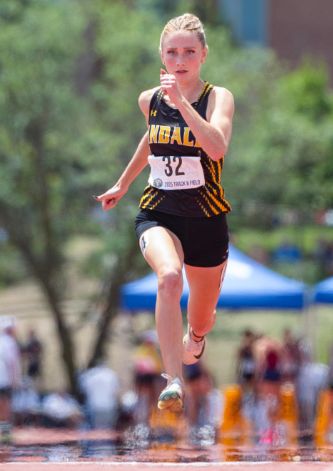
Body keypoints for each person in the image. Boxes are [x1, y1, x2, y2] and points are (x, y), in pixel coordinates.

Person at [95, 13, 234, 414]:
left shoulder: (218, 98)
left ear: (204, 54)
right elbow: (152, 137)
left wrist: (182, 104)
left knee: (202, 320)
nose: (180, 60)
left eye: (189, 52)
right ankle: (173, 379)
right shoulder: (150, 100)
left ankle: (196, 337)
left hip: (207, 220)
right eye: (172, 52)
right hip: (160, 210)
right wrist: (123, 183)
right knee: (169, 278)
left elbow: (216, 148)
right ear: (162, 56)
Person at [0, 315, 21, 424]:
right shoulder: (9, 342)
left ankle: (3, 423)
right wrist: (14, 379)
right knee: (6, 401)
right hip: (6, 378)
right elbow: (11, 362)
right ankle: (6, 424)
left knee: (1, 400)